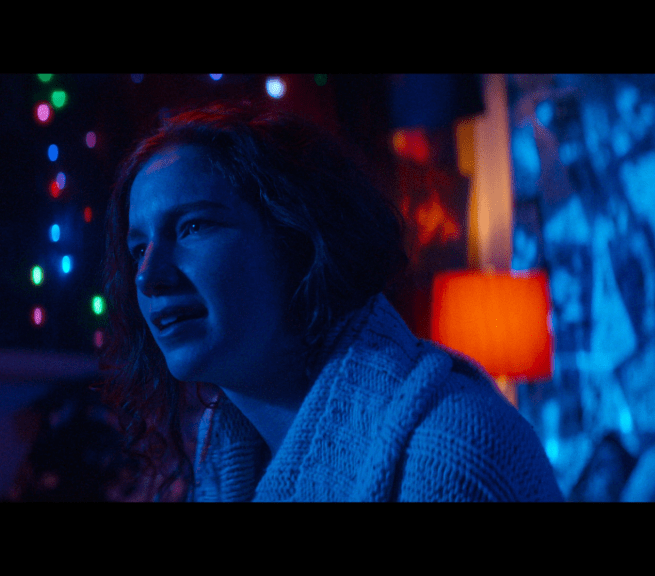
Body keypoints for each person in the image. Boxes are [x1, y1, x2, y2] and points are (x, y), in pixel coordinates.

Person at [101, 102, 563, 502]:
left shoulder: (448, 456)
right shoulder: (223, 463)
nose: (149, 275)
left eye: (193, 227)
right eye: (138, 248)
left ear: (297, 237)